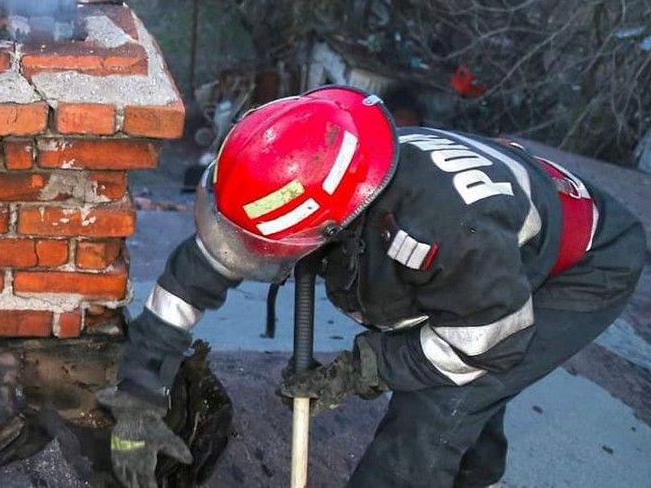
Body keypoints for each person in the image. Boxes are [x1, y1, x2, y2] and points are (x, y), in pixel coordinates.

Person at [97, 85, 645, 487]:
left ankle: (459, 468)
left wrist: (365, 367)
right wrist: (140, 400)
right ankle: (473, 469)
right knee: (464, 391)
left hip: (581, 265)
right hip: (482, 258)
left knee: (438, 408)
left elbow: (482, 342)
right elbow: (186, 286)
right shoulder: (304, 162)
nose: (249, 258)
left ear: (334, 223)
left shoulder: (438, 229)